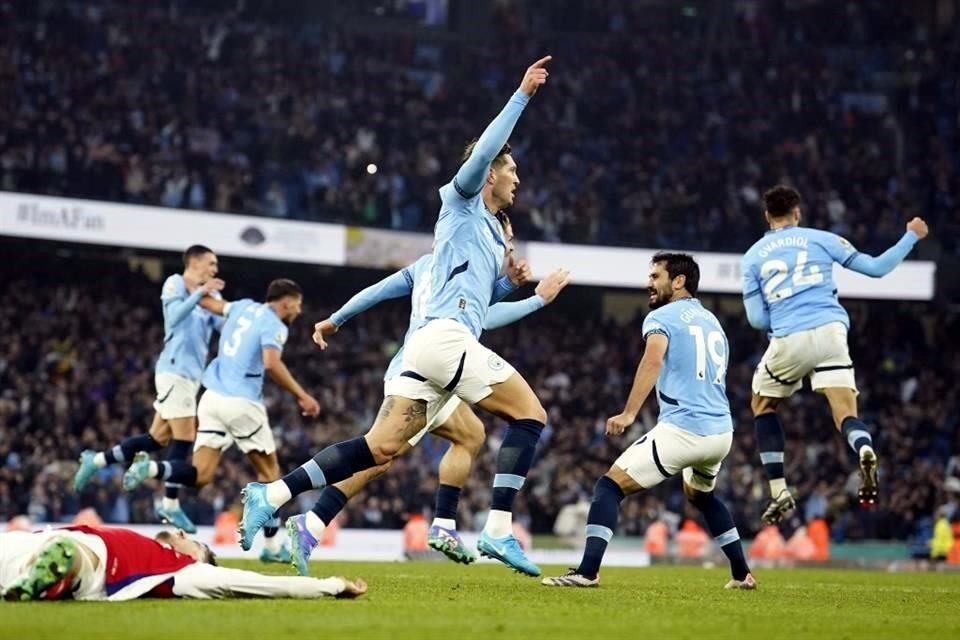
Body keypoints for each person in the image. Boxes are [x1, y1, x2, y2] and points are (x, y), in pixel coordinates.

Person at [239, 55, 553, 577]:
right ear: (492, 169)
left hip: (429, 350)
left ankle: (271, 495)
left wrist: (511, 283)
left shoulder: (494, 234)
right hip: (444, 341)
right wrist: (521, 95)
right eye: (511, 169)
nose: (517, 178)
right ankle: (496, 530)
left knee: (378, 448)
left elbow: (480, 302)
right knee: (531, 416)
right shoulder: (461, 201)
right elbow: (484, 155)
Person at [289, 244, 569, 575]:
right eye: (505, 241)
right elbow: (485, 318)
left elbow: (379, 291)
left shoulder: (428, 265)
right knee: (378, 454)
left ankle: (444, 525)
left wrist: (335, 320)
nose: (506, 249)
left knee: (470, 434)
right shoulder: (468, 262)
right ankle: (310, 520)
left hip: (422, 363)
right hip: (425, 369)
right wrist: (537, 300)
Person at [542, 253, 755, 590]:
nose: (649, 283)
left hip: (684, 429)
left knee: (609, 486)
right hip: (721, 433)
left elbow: (653, 359)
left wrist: (629, 413)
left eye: (656, 276)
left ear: (679, 280)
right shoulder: (712, 321)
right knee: (701, 497)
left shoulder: (664, 316)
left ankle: (587, 571)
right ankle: (742, 574)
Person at [742, 185, 929, 523]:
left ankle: (779, 489)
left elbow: (756, 319)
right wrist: (910, 237)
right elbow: (876, 269)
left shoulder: (753, 256)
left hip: (789, 335)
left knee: (762, 405)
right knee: (844, 411)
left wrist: (783, 318)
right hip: (831, 331)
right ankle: (864, 448)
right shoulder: (822, 239)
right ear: (797, 212)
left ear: (767, 216)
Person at [123, 279, 320, 563]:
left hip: (211, 399)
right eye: (298, 305)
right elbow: (271, 363)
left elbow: (207, 303)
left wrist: (197, 286)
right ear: (286, 301)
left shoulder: (241, 307)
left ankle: (152, 467)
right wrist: (302, 396)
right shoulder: (274, 325)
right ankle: (273, 546)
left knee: (201, 475)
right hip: (242, 403)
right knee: (270, 475)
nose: (298, 312)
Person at [74, 245, 225, 533]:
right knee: (185, 438)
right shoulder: (175, 283)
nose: (215, 269)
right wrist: (199, 293)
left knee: (157, 439)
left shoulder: (211, 295)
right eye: (211, 263)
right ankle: (169, 504)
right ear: (194, 262)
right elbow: (174, 318)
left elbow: (222, 323)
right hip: (173, 371)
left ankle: (96, 460)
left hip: (191, 377)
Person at [0, 525, 365, 601]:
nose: (179, 533)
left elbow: (261, 584)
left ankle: (50, 574)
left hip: (88, 561)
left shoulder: (188, 571)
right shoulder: (149, 543)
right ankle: (35, 578)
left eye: (191, 540)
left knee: (71, 552)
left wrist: (329, 585)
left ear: (199, 556)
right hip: (35, 541)